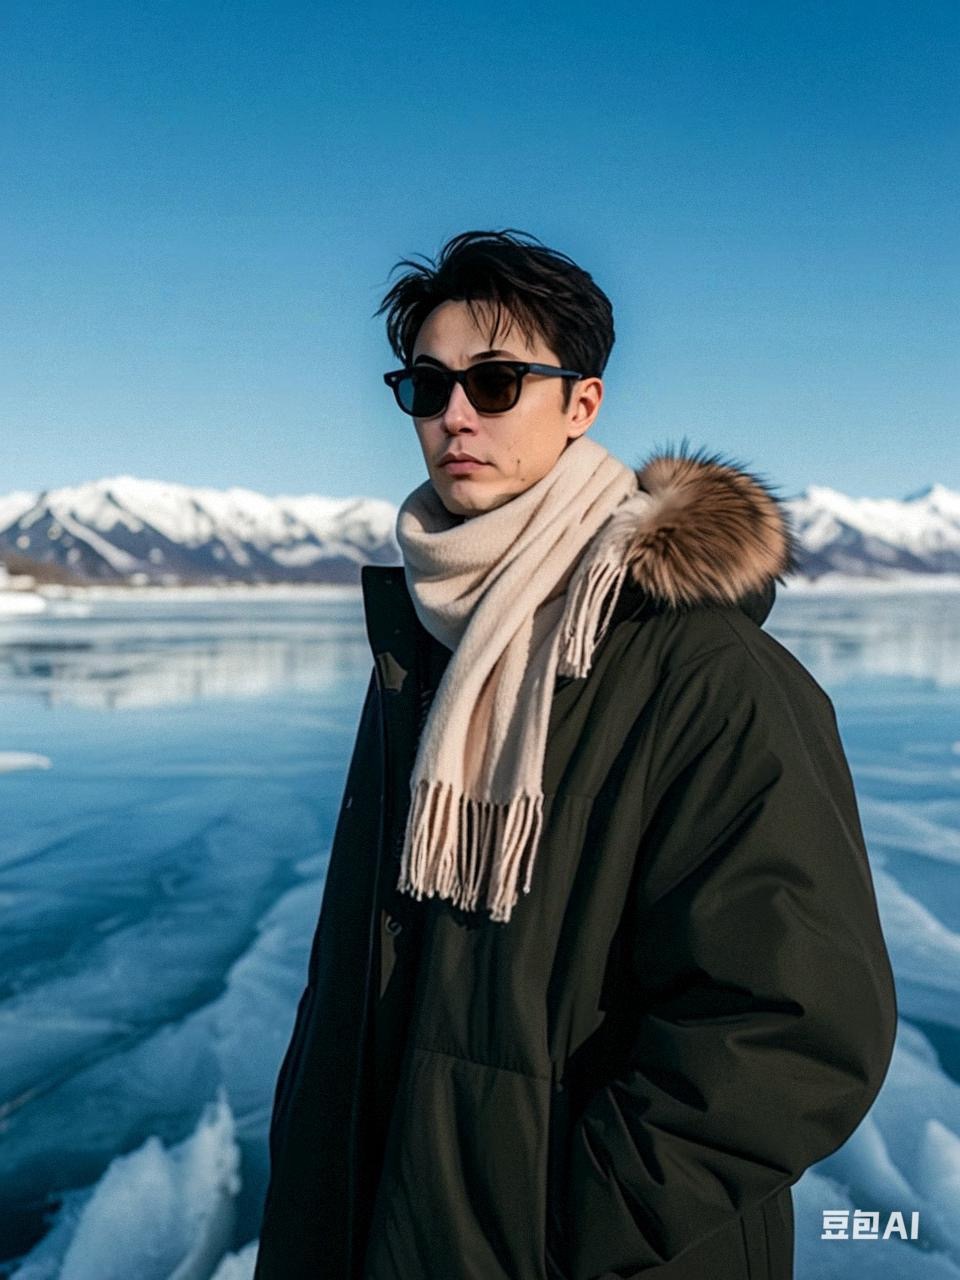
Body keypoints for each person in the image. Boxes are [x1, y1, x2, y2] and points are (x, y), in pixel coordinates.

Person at [253, 230, 897, 1280]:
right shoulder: (432, 650)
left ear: (582, 404)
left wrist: (558, 1231)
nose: (455, 415)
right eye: (427, 385)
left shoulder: (707, 670)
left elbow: (798, 1026)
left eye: (496, 382)